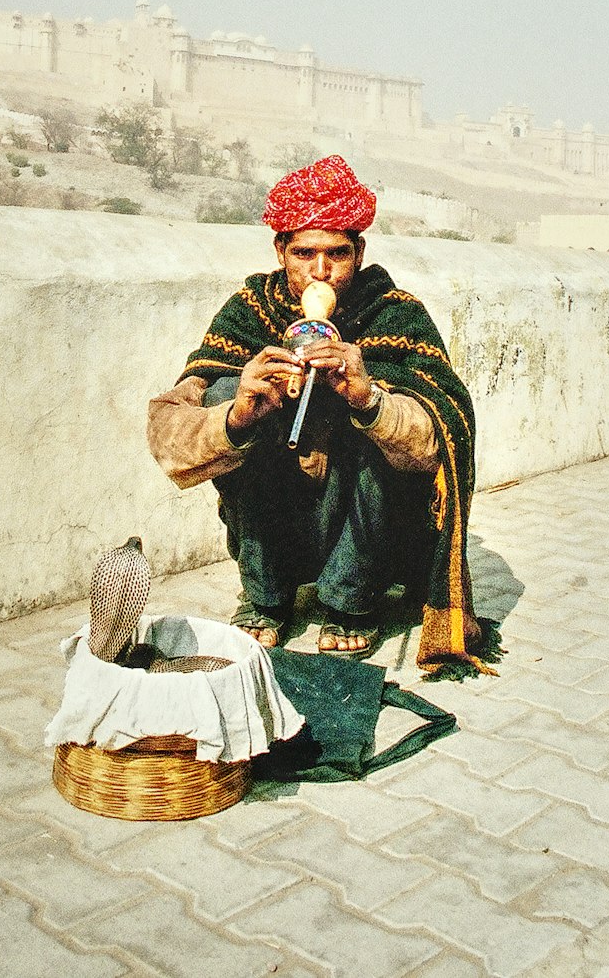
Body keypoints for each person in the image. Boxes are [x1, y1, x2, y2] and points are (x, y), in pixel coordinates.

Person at [147, 155, 495, 674]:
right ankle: (266, 594)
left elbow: (443, 435)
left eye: (337, 254)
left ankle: (352, 598)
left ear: (359, 252)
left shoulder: (394, 312)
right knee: (225, 387)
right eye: (304, 253)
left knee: (370, 411)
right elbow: (168, 432)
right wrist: (237, 416)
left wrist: (369, 401)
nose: (321, 271)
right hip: (281, 511)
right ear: (280, 250)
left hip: (368, 520)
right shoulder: (250, 310)